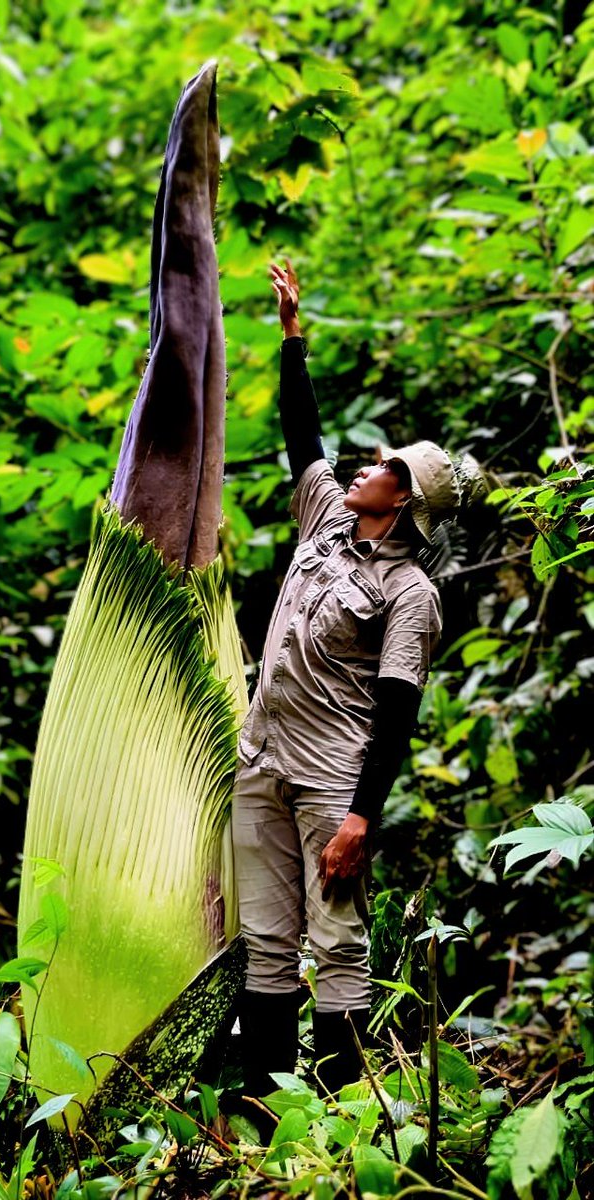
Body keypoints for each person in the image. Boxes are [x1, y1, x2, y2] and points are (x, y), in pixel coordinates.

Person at [231, 259, 479, 1098]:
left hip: (332, 781)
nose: (366, 464)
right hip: (261, 762)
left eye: (385, 466)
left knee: (335, 945)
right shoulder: (327, 518)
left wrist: (360, 818)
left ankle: (339, 1109)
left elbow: (398, 710)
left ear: (403, 501)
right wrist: (291, 334)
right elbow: (303, 437)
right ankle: (270, 1116)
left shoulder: (411, 594)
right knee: (265, 939)